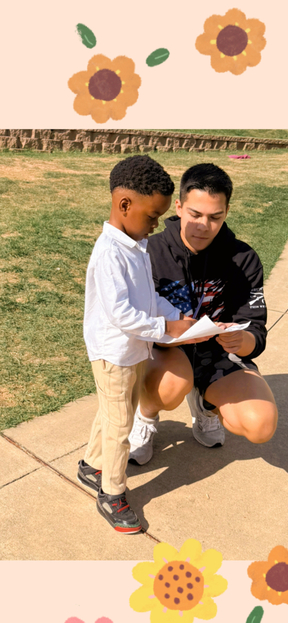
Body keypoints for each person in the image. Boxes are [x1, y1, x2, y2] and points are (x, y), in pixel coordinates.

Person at [128, 163, 279, 465]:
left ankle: (206, 405)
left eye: (215, 217)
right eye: (195, 214)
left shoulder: (244, 258)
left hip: (218, 352)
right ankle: (145, 418)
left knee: (260, 425)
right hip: (166, 349)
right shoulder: (149, 252)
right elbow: (131, 319)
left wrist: (243, 340)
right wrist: (170, 333)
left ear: (226, 213)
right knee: (170, 386)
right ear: (180, 207)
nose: (203, 226)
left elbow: (257, 331)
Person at [79, 155, 197, 533]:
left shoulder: (135, 245)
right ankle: (111, 492)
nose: (156, 225)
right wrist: (165, 328)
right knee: (120, 424)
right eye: (152, 216)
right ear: (124, 205)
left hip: (132, 353)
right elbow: (122, 314)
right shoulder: (110, 252)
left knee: (116, 411)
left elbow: (147, 299)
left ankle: (90, 463)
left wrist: (176, 320)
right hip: (114, 353)